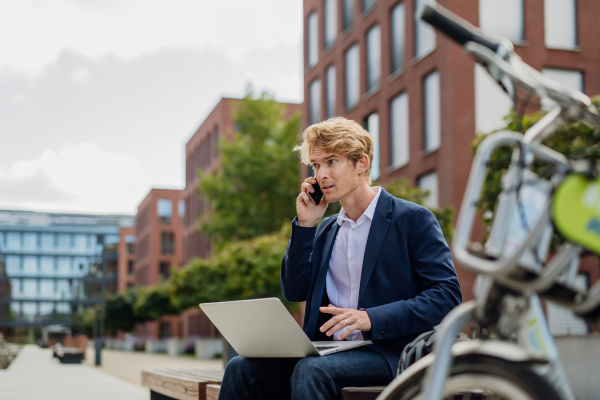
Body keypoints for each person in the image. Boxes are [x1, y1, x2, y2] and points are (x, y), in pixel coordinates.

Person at [219, 117, 462, 399]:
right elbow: (295, 290)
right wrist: (306, 225)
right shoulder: (326, 230)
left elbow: (446, 295)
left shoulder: (413, 219)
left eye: (331, 161)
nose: (321, 174)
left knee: (312, 370)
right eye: (316, 165)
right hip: (326, 352)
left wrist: (370, 318)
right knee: (240, 368)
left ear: (362, 164)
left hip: (390, 354)